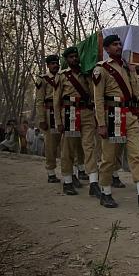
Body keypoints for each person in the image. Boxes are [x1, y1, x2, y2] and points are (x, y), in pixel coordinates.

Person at [93, 34, 139, 209]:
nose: (118, 47)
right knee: (109, 157)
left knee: (136, 154)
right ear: (106, 49)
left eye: (119, 44)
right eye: (114, 45)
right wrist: (101, 123)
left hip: (130, 115)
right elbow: (98, 99)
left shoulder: (126, 66)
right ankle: (105, 192)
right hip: (112, 115)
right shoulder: (102, 69)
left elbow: (136, 92)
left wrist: (132, 71)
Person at [53, 46, 100, 197]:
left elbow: (94, 94)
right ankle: (67, 181)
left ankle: (94, 183)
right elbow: (56, 101)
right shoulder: (61, 76)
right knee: (68, 149)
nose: (74, 59)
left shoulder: (86, 74)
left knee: (89, 147)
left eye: (76, 56)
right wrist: (58, 121)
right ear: (66, 60)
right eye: (71, 57)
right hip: (70, 113)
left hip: (86, 113)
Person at [35, 55, 62, 183]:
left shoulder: (63, 77)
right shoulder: (43, 79)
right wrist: (42, 119)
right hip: (49, 113)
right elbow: (39, 101)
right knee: (50, 146)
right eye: (52, 63)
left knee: (66, 144)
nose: (55, 65)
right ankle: (51, 172)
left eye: (56, 63)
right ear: (48, 65)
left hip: (62, 113)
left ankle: (72, 171)